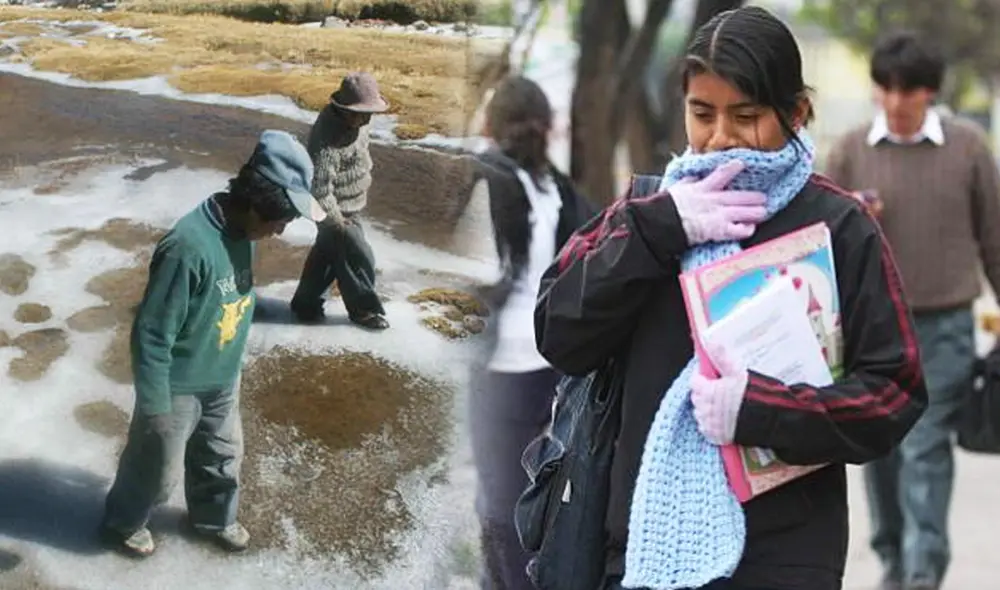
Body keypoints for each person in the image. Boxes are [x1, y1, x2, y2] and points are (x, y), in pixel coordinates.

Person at [534, 7, 927, 590]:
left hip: (783, 557)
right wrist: (659, 231)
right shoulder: (644, 213)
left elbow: (894, 393)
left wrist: (761, 411)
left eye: (746, 116)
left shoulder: (838, 226)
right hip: (641, 552)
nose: (720, 136)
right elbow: (558, 333)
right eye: (702, 113)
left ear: (797, 112)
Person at [826, 30, 1000, 590]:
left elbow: (994, 239)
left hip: (945, 328)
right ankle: (893, 561)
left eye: (909, 90)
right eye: (886, 88)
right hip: (870, 331)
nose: (897, 101)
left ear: (930, 92)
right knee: (880, 451)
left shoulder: (968, 148)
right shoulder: (850, 151)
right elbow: (819, 242)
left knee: (926, 449)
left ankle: (923, 572)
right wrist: (853, 218)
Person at [99, 129, 325, 558]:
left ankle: (213, 518)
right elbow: (151, 332)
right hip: (176, 387)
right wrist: (155, 405)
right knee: (154, 470)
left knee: (222, 457)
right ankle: (121, 522)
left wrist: (230, 365)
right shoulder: (188, 247)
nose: (282, 230)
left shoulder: (247, 235)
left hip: (222, 378)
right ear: (256, 202)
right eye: (281, 219)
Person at [468, 75, 594, 590]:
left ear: (493, 124)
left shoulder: (489, 178)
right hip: (550, 365)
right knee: (531, 492)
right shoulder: (557, 190)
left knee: (500, 502)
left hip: (502, 367)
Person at [291, 71, 390, 330]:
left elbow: (360, 155)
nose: (366, 119)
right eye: (360, 113)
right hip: (334, 210)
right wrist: (336, 222)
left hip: (352, 205)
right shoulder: (327, 140)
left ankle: (306, 305)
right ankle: (363, 310)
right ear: (343, 109)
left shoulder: (360, 123)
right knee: (358, 257)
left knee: (326, 257)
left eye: (370, 113)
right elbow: (319, 189)